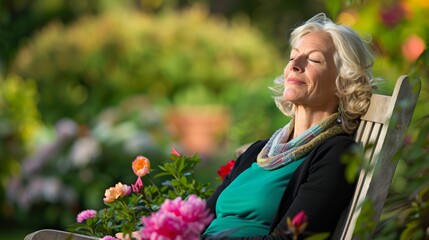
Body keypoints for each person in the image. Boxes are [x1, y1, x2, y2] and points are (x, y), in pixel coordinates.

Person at [201, 12, 377, 239]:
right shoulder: (258, 152)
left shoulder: (336, 154)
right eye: (293, 56)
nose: (295, 64)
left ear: (342, 82)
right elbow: (199, 219)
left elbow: (288, 238)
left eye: (313, 59)